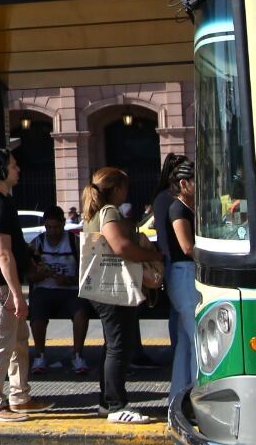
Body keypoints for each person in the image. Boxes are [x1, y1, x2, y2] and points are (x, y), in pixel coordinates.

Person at [80, 166, 162, 424]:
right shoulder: (108, 211)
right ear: (116, 189)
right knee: (119, 347)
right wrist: (154, 255)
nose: (127, 191)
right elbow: (121, 246)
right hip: (112, 287)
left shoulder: (93, 212)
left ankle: (108, 401)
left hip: (102, 287)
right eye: (125, 187)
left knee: (112, 345)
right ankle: (117, 405)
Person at [0, 148, 50, 423]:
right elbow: (2, 253)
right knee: (0, 345)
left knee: (18, 342)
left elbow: (11, 249)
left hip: (2, 284)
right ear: (2, 171)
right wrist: (18, 295)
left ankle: (20, 397)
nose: (18, 170)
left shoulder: (0, 202)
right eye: (14, 165)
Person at [155, 159, 198, 405]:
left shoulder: (184, 207)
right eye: (195, 182)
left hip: (183, 273)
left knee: (185, 340)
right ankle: (196, 396)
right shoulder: (178, 209)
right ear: (183, 184)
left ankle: (179, 397)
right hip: (184, 273)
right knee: (196, 338)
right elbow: (187, 246)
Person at [27, 206, 83, 375]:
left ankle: (78, 355)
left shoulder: (75, 242)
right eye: (49, 227)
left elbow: (86, 272)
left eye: (56, 227)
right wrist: (41, 275)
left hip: (70, 290)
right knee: (37, 310)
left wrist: (70, 280)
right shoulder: (37, 243)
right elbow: (29, 275)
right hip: (45, 289)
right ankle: (39, 355)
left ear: (63, 224)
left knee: (81, 310)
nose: (52, 231)